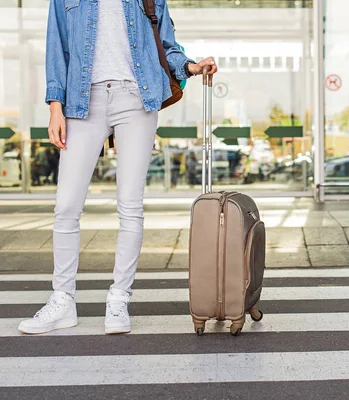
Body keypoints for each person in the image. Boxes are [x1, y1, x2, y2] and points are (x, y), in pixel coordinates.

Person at [18, 0, 217, 335]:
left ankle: (119, 298)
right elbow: (58, 47)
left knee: (130, 204)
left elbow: (166, 45)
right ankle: (63, 300)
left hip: (136, 99)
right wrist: (55, 106)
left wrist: (191, 67)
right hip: (84, 100)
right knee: (66, 206)